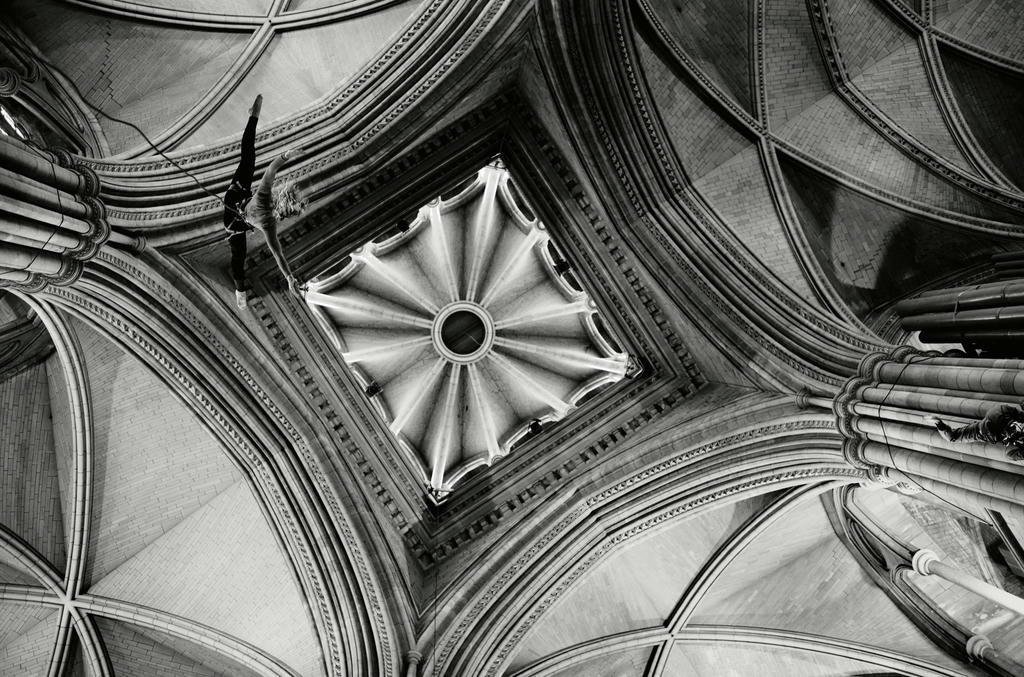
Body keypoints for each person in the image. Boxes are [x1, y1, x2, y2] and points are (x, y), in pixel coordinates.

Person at [224, 94, 306, 308]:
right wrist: (287, 154)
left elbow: (279, 255)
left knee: (238, 258)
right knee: (249, 157)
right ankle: (253, 116)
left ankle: (240, 289)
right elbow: (271, 169)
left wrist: (290, 278)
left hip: (234, 219)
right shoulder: (264, 206)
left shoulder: (268, 220)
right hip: (237, 197)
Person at [927, 404, 1024, 461]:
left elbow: (1011, 454)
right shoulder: (989, 426)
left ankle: (938, 423)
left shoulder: (1006, 413)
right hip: (986, 428)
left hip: (990, 425)